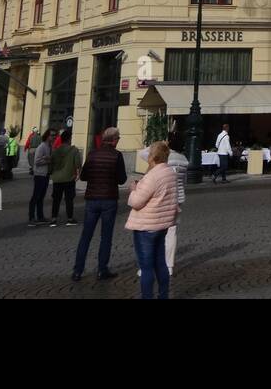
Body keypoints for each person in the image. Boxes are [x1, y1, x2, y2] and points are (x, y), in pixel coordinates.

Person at [72, 126, 127, 282]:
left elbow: (83, 176)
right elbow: (122, 179)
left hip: (92, 199)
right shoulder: (117, 156)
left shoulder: (92, 154)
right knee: (106, 236)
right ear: (114, 140)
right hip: (109, 199)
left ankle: (78, 270)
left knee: (86, 236)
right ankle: (102, 270)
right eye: (118, 138)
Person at [126, 140, 179, 299]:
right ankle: (163, 295)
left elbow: (136, 202)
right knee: (160, 264)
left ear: (152, 156)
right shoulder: (170, 172)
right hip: (162, 224)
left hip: (146, 226)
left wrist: (134, 190)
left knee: (147, 267)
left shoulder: (153, 175)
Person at [137, 140, 188, 276]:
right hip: (178, 197)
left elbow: (143, 154)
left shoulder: (164, 158)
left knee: (153, 231)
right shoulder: (184, 159)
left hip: (162, 197)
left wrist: (158, 143)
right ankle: (169, 265)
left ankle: (147, 266)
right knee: (172, 232)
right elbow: (184, 182)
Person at [49, 128, 83, 226]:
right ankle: (69, 218)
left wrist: (52, 174)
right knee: (69, 199)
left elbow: (51, 164)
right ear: (69, 139)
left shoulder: (56, 151)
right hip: (69, 178)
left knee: (56, 199)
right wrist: (78, 174)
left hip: (57, 178)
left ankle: (53, 219)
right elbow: (78, 164)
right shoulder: (74, 150)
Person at [28, 128, 56, 225]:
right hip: (40, 174)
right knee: (36, 196)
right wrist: (48, 160)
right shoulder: (42, 146)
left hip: (46, 174)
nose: (53, 137)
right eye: (52, 135)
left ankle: (40, 216)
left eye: (54, 135)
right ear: (47, 136)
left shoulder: (49, 146)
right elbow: (37, 161)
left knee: (41, 196)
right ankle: (31, 217)